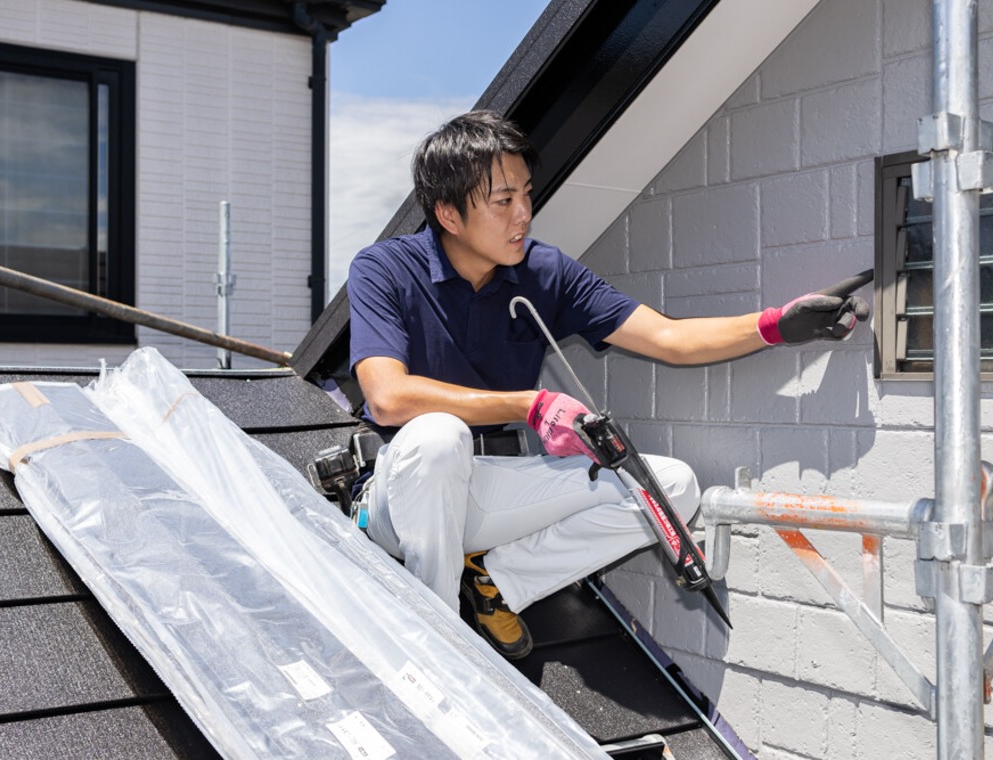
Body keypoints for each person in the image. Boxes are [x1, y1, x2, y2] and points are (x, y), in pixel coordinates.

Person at [345, 110, 868, 660]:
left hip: (482, 491)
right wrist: (530, 404)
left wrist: (778, 326)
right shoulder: (383, 268)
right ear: (449, 213)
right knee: (438, 437)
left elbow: (668, 337)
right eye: (503, 201)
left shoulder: (542, 272)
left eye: (527, 193)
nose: (523, 213)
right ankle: (437, 650)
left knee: (671, 488)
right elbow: (387, 396)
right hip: (400, 499)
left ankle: (496, 582)